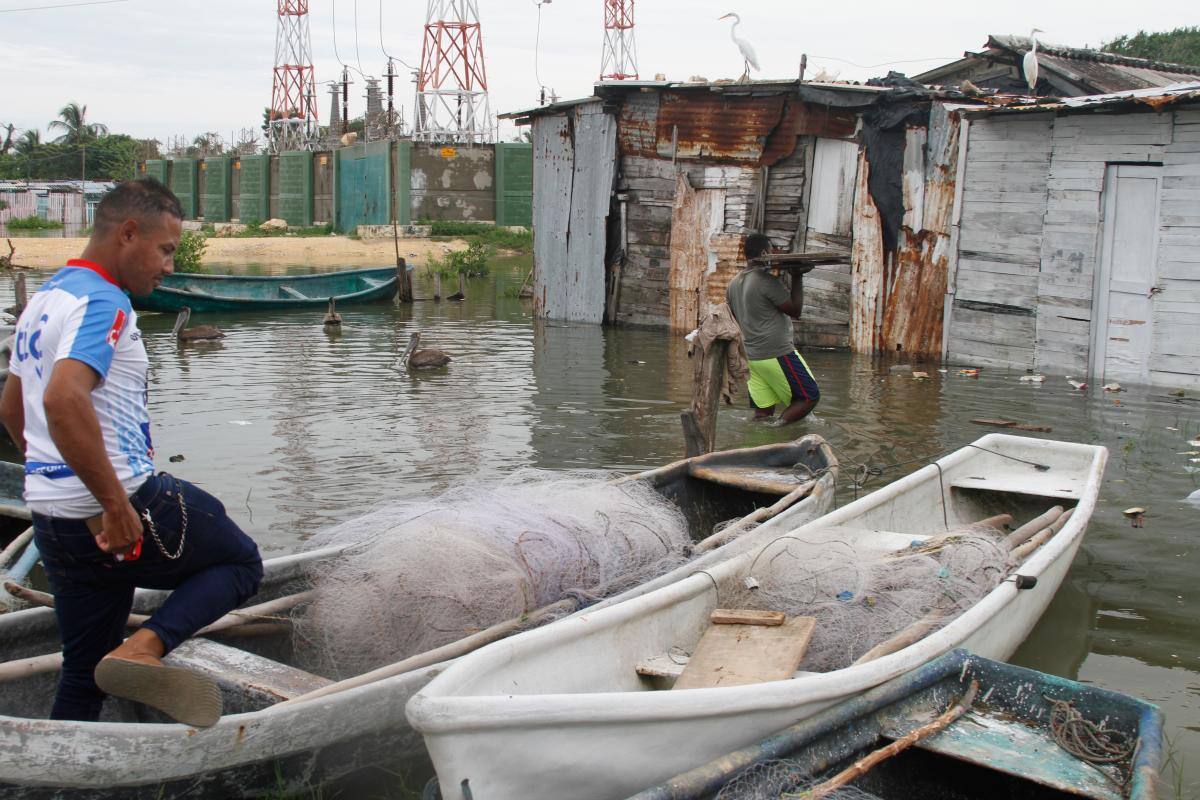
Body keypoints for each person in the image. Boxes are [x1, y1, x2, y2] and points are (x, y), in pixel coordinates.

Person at [0, 178, 262, 727]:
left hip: (53, 518)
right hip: (124, 503)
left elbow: (12, 409)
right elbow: (63, 398)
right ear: (127, 234)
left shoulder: (46, 297)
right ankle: (145, 647)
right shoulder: (103, 300)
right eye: (164, 250)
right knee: (239, 563)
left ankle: (68, 763)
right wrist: (114, 503)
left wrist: (53, 477)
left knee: (83, 672)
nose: (168, 266)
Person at [725, 233, 820, 425]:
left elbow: (735, 317)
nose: (774, 253)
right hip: (776, 352)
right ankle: (778, 431)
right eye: (771, 250)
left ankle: (763, 439)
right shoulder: (765, 280)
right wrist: (797, 277)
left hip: (751, 357)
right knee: (809, 397)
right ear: (763, 253)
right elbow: (795, 310)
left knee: (763, 414)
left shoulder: (733, 283)